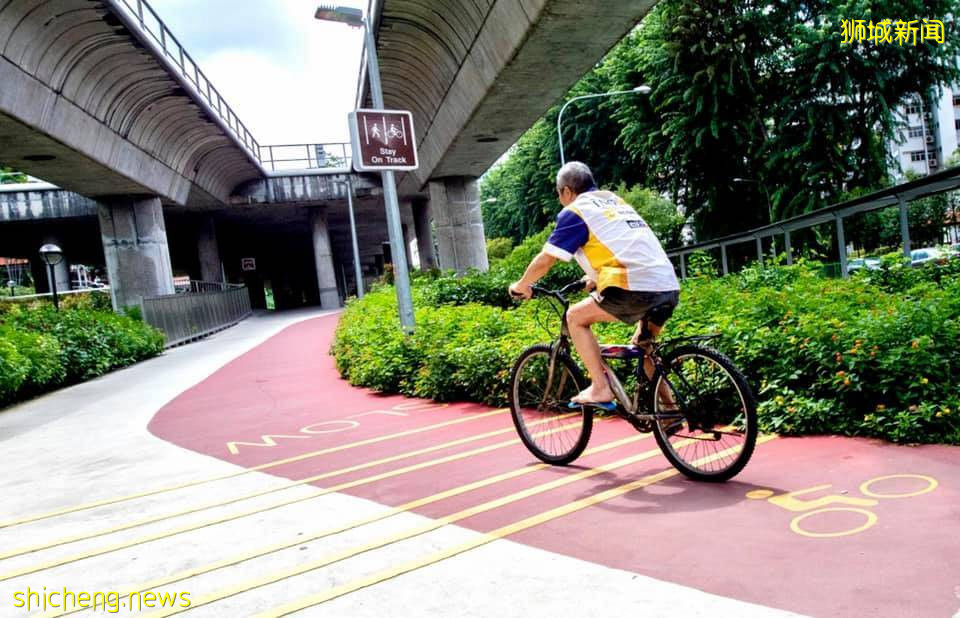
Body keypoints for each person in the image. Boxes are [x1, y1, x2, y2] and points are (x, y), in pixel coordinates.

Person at [509, 161, 681, 406]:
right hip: (668, 285)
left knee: (574, 317)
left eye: (559, 194)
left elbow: (547, 259)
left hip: (635, 288)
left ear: (566, 191)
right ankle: (670, 411)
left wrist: (522, 284)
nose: (561, 200)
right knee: (643, 346)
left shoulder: (575, 211)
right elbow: (623, 245)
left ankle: (601, 387)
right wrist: (594, 278)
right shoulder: (614, 201)